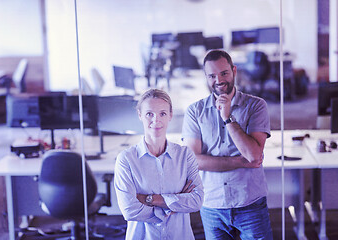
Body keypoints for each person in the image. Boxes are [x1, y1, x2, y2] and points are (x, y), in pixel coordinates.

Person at [182, 49, 273, 240]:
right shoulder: (195, 111)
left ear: (234, 71)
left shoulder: (256, 106)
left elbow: (254, 155)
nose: (219, 80)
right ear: (206, 77)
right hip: (212, 205)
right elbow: (193, 161)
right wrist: (240, 162)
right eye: (212, 76)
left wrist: (228, 118)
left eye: (224, 73)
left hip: (250, 202)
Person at [114, 88, 204, 240]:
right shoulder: (126, 159)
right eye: (149, 114)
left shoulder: (184, 155)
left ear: (170, 115)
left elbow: (196, 201)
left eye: (162, 113)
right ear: (140, 115)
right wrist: (175, 203)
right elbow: (129, 210)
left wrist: (149, 199)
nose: (156, 120)